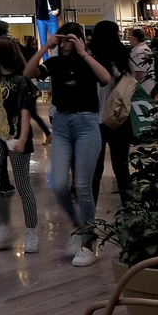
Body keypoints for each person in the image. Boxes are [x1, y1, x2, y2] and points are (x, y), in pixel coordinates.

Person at [25, 23, 111, 266]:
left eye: (68, 40)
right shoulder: (55, 63)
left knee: (82, 185)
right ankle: (77, 224)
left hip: (87, 123)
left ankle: (87, 242)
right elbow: (28, 73)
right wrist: (45, 46)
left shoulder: (88, 61)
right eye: (60, 40)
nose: (63, 45)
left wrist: (84, 53)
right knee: (59, 184)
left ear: (79, 40)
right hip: (62, 124)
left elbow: (105, 78)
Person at [0, 35, 40, 253]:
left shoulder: (20, 80)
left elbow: (25, 113)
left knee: (23, 185)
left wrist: (22, 139)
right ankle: (4, 227)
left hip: (16, 137)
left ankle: (31, 231)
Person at [88, 20, 133, 199]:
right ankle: (129, 209)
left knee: (94, 170)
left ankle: (89, 212)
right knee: (121, 167)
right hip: (119, 118)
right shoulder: (123, 59)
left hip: (95, 120)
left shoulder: (91, 60)